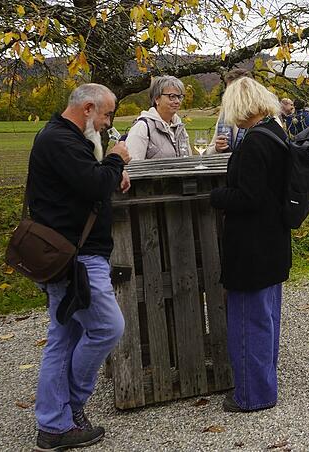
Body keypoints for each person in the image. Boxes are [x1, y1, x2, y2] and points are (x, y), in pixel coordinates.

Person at [29, 83, 131, 451]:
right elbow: (91, 184)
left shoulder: (63, 138)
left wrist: (109, 173)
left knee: (64, 336)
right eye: (106, 114)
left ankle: (55, 422)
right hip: (77, 258)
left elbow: (86, 183)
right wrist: (117, 159)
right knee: (106, 327)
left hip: (70, 255)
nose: (107, 123)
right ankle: (69, 408)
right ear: (88, 109)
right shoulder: (62, 141)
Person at [209, 77, 291, 413]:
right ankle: (263, 384)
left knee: (248, 320)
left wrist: (216, 196)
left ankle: (253, 394)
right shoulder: (276, 133)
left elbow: (249, 196)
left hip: (252, 246)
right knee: (266, 318)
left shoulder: (256, 142)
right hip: (273, 241)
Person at [125, 75, 190, 160]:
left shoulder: (179, 128)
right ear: (157, 99)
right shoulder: (142, 127)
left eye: (180, 97)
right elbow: (131, 166)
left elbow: (189, 159)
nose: (177, 101)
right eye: (172, 96)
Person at [207, 68, 251, 154]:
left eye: (233, 91)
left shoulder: (265, 116)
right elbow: (209, 151)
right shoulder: (224, 115)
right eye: (228, 91)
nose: (228, 95)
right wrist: (217, 148)